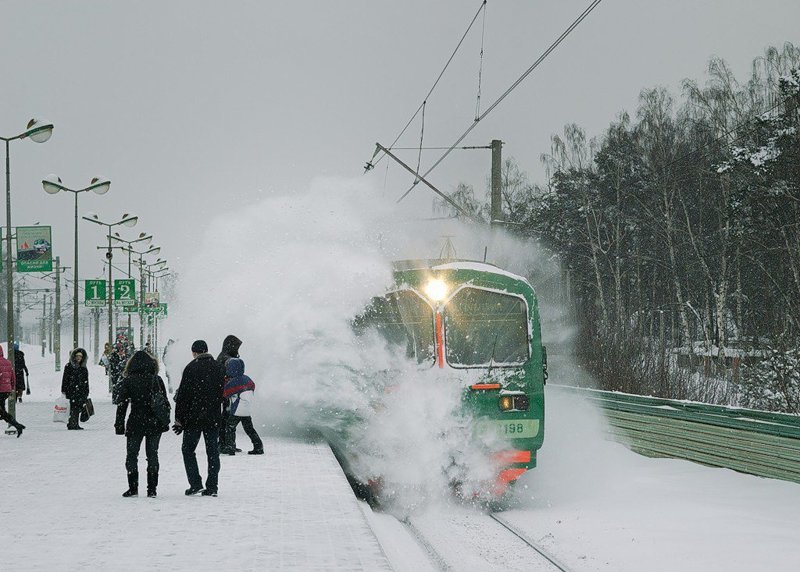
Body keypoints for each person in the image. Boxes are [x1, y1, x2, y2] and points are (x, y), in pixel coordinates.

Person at [114, 350, 170, 498]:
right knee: (152, 455)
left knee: (132, 455)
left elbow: (122, 404)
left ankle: (133, 487)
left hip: (135, 422)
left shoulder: (129, 380)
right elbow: (164, 402)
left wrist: (119, 424)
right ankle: (152, 489)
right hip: (154, 423)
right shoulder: (157, 380)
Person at [173, 340, 225, 497]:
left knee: (188, 450)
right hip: (213, 416)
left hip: (193, 417)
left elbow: (183, 396)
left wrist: (179, 419)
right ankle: (212, 486)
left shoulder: (191, 368)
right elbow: (221, 393)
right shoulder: (219, 367)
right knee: (213, 452)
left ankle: (195, 483)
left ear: (194, 352)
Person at [221, 358, 264, 456]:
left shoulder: (233, 382)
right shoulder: (247, 379)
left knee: (230, 427)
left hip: (237, 409)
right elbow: (252, 387)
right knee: (249, 429)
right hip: (247, 409)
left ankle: (230, 447)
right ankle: (258, 447)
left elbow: (225, 393)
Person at [216, 335, 242, 452]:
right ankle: (224, 444)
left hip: (226, 392)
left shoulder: (225, 357)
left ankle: (228, 443)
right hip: (226, 392)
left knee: (228, 417)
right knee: (226, 418)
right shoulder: (226, 358)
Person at [61, 348, 90, 430]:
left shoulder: (83, 367)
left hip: (81, 391)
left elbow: (86, 380)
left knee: (77, 407)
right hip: (71, 390)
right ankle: (73, 424)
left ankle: (73, 423)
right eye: (77, 356)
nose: (78, 358)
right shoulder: (69, 366)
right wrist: (64, 389)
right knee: (74, 407)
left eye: (80, 356)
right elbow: (65, 378)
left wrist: (86, 391)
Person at [0, 346, 24, 437]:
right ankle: (17, 425)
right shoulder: (8, 362)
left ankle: (17, 425)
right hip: (6, 390)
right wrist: (11, 388)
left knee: (2, 412)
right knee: (2, 412)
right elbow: (13, 377)